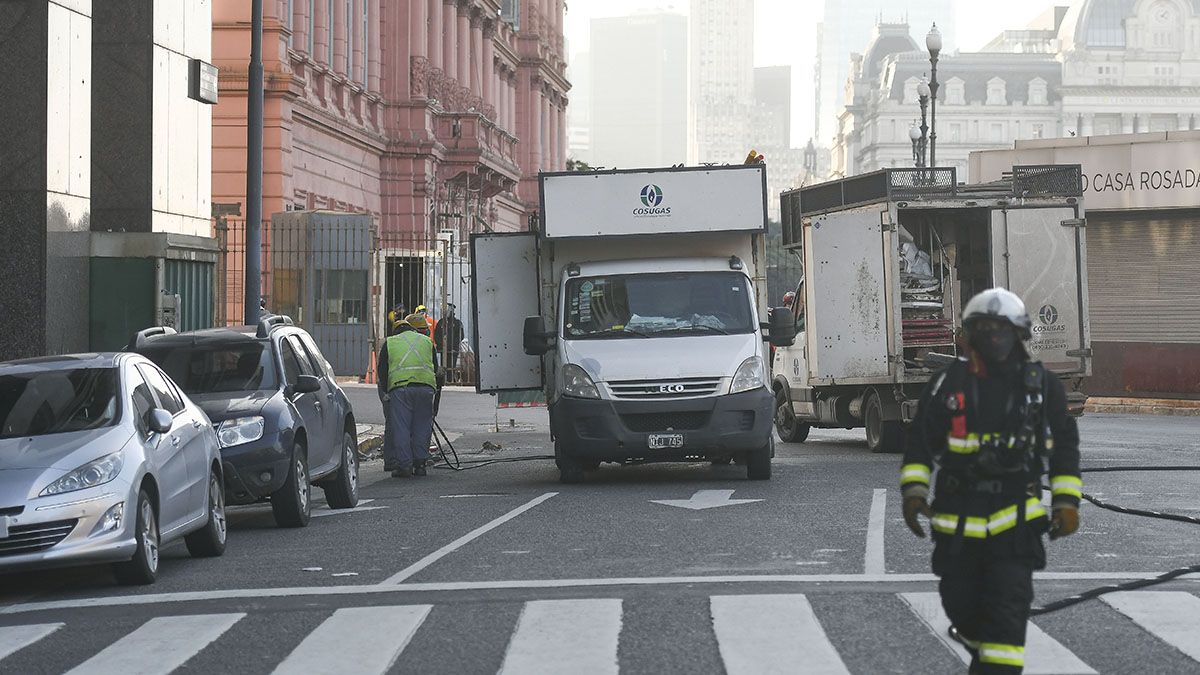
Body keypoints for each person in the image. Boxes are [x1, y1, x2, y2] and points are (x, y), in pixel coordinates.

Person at [900, 288, 1081, 675]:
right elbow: (920, 441)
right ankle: (982, 649)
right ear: (968, 335)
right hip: (957, 525)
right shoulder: (947, 384)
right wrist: (914, 490)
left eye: (1002, 330)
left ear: (1019, 334)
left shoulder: (1041, 386)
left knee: (1005, 616)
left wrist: (1067, 500)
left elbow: (1065, 445)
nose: (994, 338)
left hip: (1016, 529)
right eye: (984, 329)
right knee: (960, 607)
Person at [377, 313, 439, 478]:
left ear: (395, 331)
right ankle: (420, 465)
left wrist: (386, 391)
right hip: (426, 388)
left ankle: (404, 466)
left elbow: (382, 370)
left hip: (400, 389)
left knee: (402, 427)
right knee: (422, 426)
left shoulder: (390, 343)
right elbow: (436, 368)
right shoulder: (426, 341)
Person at [432, 303, 465, 380]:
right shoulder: (441, 322)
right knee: (443, 366)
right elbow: (436, 335)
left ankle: (450, 381)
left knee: (451, 367)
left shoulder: (457, 323)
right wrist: (441, 345)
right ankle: (443, 381)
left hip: (453, 350)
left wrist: (452, 346)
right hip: (443, 349)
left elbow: (460, 336)